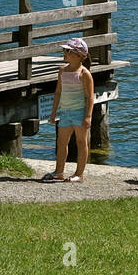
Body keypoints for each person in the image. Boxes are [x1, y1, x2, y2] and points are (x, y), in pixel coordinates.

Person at [44, 38, 95, 182]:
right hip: (65, 112)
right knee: (61, 142)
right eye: (64, 51)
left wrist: (88, 116)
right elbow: (58, 92)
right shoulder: (62, 70)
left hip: (80, 112)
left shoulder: (84, 74)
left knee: (81, 142)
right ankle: (59, 171)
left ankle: (79, 174)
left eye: (68, 51)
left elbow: (90, 97)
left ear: (79, 55)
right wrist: (54, 112)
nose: (64, 53)